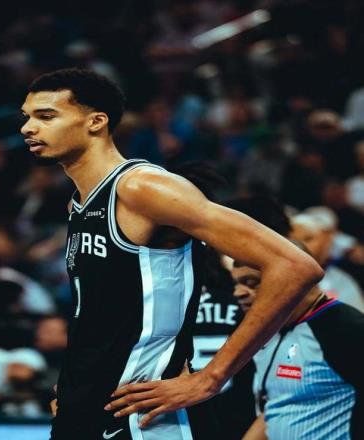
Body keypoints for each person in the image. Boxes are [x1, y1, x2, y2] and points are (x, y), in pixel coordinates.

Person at [20, 68, 323, 439]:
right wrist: (75, 386)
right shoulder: (79, 204)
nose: (28, 128)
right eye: (27, 117)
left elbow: (294, 266)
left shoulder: (143, 188)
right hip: (83, 409)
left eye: (46, 116)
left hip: (142, 417)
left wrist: (210, 378)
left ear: (96, 122)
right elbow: (104, 315)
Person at [232, 241, 363, 440]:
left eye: (251, 282)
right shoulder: (266, 330)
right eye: (236, 283)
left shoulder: (346, 329)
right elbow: (278, 405)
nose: (238, 293)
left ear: (296, 278)